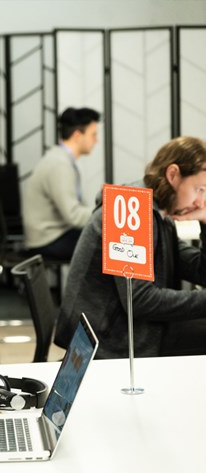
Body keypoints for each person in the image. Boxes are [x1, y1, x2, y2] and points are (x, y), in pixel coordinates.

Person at [55, 136, 206, 359]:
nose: (200, 202)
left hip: (129, 329)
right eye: (199, 189)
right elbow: (139, 300)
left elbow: (199, 271)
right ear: (173, 174)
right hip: (110, 340)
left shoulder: (159, 214)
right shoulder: (130, 212)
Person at [22, 107, 101, 260]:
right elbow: (73, 216)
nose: (96, 141)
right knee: (107, 245)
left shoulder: (62, 159)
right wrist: (106, 212)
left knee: (104, 241)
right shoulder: (60, 165)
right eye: (93, 135)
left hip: (54, 234)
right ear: (77, 135)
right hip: (47, 240)